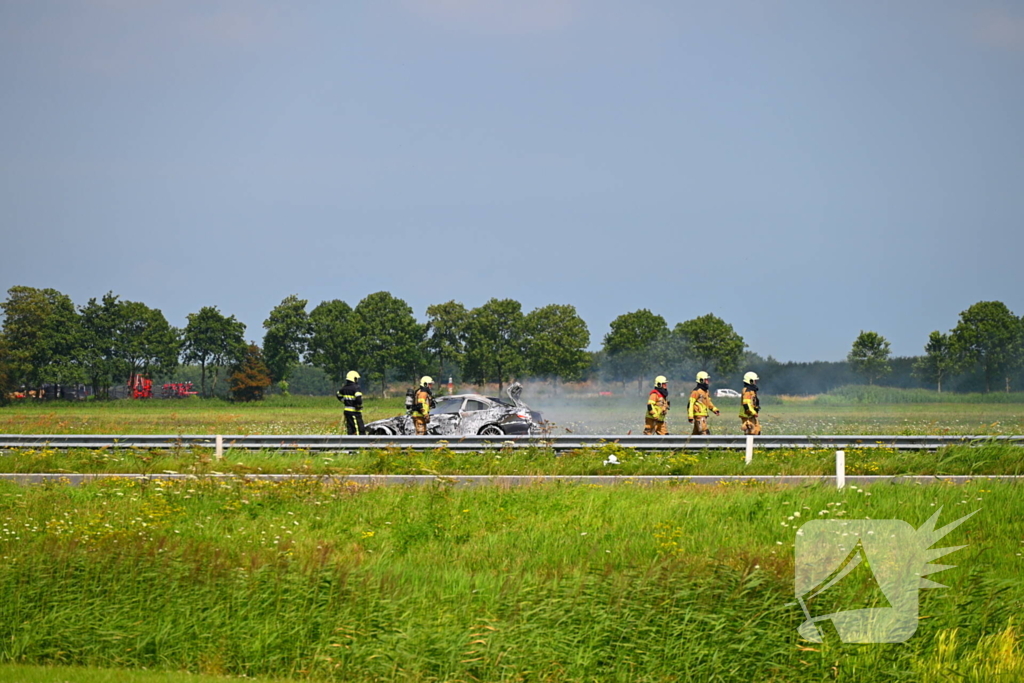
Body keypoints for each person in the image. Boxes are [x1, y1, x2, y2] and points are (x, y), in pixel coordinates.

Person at [687, 371, 720, 435]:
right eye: (706, 380)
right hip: (699, 416)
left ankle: (688, 444)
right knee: (704, 432)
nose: (708, 382)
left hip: (703, 416)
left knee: (695, 436)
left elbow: (708, 402)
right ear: (701, 380)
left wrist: (715, 409)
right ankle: (707, 444)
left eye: (708, 380)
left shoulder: (706, 392)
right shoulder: (695, 392)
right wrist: (690, 416)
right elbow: (690, 404)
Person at [336, 370, 365, 435]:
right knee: (359, 429)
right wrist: (358, 405)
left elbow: (338, 394)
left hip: (347, 411)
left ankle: (351, 443)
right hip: (354, 412)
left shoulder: (344, 388)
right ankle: (361, 443)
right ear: (354, 378)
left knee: (350, 428)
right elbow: (358, 399)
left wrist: (344, 401)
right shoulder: (356, 388)